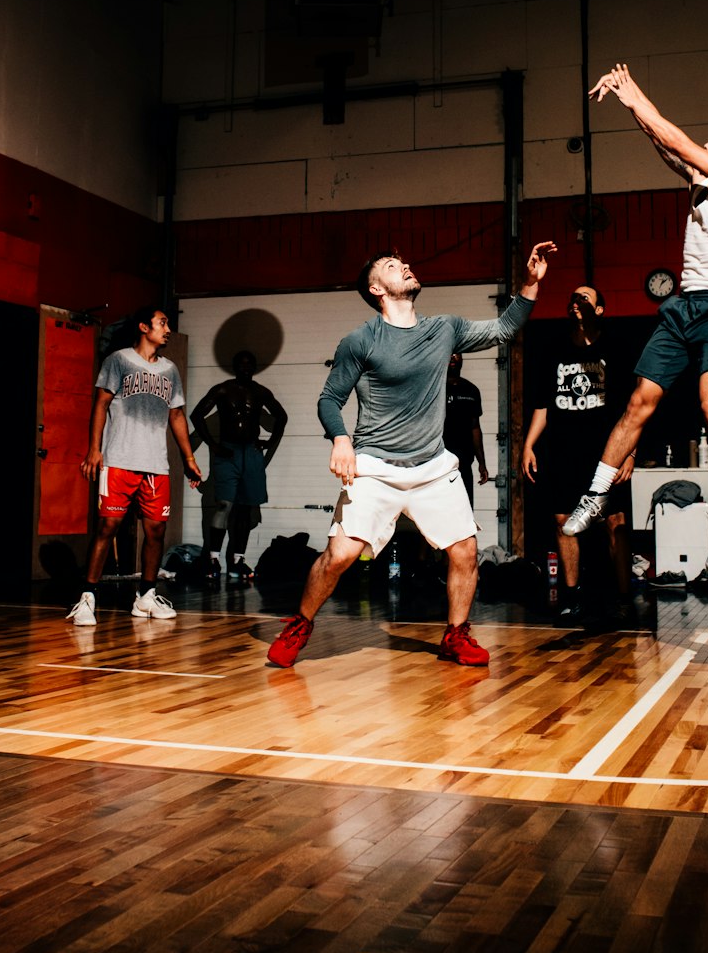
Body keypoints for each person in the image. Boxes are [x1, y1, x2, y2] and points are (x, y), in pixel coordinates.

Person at [266, 240, 557, 668]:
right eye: (390, 264)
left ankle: (456, 635)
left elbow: (503, 329)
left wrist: (530, 284)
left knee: (465, 552)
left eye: (403, 261)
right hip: (375, 467)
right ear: (376, 288)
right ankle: (301, 624)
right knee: (340, 556)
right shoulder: (360, 340)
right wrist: (341, 440)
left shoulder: (444, 328)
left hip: (432, 467)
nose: (404, 265)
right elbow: (330, 399)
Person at [563, 62, 708, 575]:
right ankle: (596, 494)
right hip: (683, 307)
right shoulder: (702, 183)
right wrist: (636, 114)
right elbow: (668, 145)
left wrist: (634, 97)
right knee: (638, 402)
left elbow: (677, 138)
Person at [67, 305, 202, 627]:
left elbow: (177, 415)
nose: (167, 329)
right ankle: (87, 597)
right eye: (162, 323)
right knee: (108, 527)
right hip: (119, 459)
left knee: (156, 531)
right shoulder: (118, 360)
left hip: (155, 463)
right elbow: (101, 404)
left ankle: (146, 596)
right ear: (144, 327)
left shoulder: (170, 369)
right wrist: (94, 450)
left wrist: (190, 459)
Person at [522, 283, 631, 621]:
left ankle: (625, 597)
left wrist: (630, 452)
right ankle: (571, 595)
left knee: (615, 522)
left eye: (587, 297)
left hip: (606, 452)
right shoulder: (554, 349)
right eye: (574, 296)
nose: (578, 300)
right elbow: (542, 406)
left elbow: (633, 409)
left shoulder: (614, 347)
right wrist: (528, 445)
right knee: (562, 521)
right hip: (562, 450)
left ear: (599, 310)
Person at [190, 350, 287, 582]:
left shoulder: (260, 392)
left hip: (251, 453)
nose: (246, 368)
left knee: (245, 508)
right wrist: (213, 445)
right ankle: (213, 558)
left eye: (249, 364)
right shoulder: (223, 389)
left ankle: (237, 561)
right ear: (235, 367)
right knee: (224, 505)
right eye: (241, 364)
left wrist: (270, 442)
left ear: (254, 367)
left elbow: (281, 417)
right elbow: (196, 415)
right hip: (228, 451)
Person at [444, 352, 488, 507]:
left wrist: (482, 463)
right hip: (438, 464)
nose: (453, 357)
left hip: (463, 464)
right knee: (438, 516)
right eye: (449, 353)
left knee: (465, 513)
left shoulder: (471, 390)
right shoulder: (434, 390)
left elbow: (475, 427)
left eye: (457, 354)